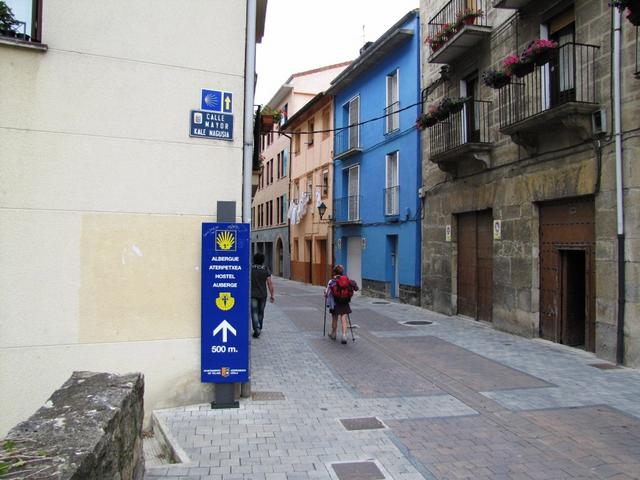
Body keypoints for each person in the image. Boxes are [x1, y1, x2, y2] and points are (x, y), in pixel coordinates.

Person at [324, 264, 358, 344]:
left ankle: (334, 334)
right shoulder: (346, 280)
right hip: (345, 301)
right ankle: (344, 335)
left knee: (335, 318)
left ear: (334, 272)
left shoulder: (332, 281)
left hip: (335, 302)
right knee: (344, 318)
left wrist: (326, 295)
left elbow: (326, 293)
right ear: (342, 272)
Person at [250, 252, 274, 338]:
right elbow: (269, 283)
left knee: (254, 312)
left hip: (252, 294)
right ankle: (259, 327)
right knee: (261, 312)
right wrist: (272, 295)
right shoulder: (265, 269)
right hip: (263, 294)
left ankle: (257, 328)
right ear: (263, 260)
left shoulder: (250, 269)